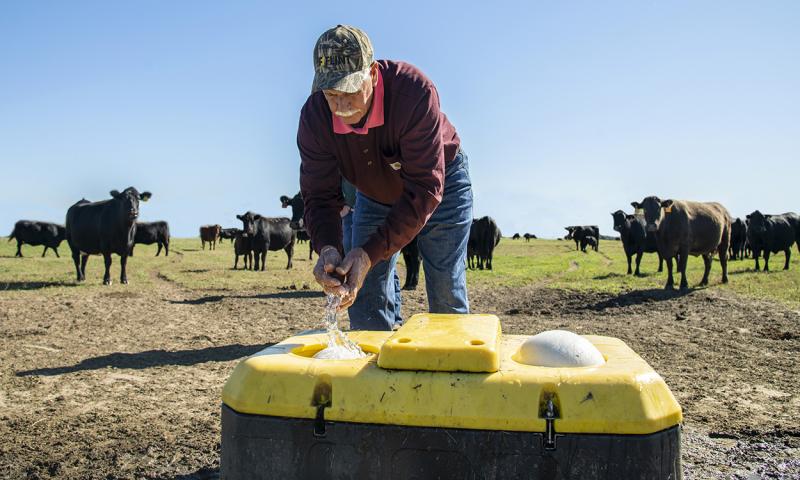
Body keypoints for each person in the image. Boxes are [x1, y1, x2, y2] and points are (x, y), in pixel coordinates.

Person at [298, 25, 473, 330]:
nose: (340, 107)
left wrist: (368, 253)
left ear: (374, 74)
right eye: (331, 94)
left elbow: (424, 189)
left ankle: (453, 375)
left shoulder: (413, 93)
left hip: (439, 187)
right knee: (363, 292)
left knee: (445, 288)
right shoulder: (315, 118)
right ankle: (376, 373)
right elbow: (319, 195)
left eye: (350, 90)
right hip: (375, 192)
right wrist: (327, 247)